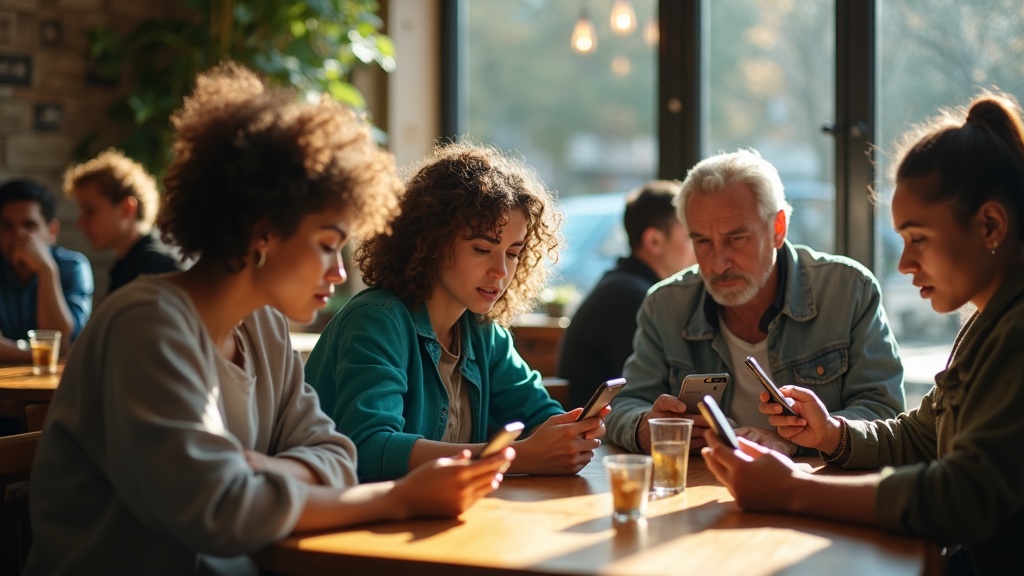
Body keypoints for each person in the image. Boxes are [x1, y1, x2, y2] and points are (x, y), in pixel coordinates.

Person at [26, 63, 512, 576]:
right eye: (327, 245)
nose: (340, 271)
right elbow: (220, 511)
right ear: (262, 231)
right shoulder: (146, 325)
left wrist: (256, 470)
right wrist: (398, 500)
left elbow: (336, 457)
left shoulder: (264, 327)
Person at [702, 92, 1024, 576]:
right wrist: (832, 433)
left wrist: (792, 489)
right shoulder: (988, 321)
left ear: (991, 225)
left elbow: (964, 496)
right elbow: (923, 436)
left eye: (918, 238)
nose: (904, 264)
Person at [305, 142, 607, 482]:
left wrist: (568, 434)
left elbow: (538, 412)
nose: (501, 271)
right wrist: (518, 456)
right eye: (482, 249)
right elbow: (368, 449)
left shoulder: (482, 331)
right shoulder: (377, 320)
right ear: (430, 241)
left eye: (513, 253)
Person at [605, 149, 905, 456]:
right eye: (702, 242)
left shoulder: (848, 290)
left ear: (778, 229)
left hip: (815, 490)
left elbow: (884, 410)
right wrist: (646, 427)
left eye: (736, 238)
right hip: (701, 488)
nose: (719, 263)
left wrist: (794, 440)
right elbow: (624, 405)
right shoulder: (666, 304)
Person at [557, 180, 696, 408]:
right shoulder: (630, 297)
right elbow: (647, 391)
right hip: (600, 436)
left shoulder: (622, 285)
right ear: (654, 240)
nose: (698, 250)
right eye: (690, 237)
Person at [0, 178, 93, 364]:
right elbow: (59, 352)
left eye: (29, 226)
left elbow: (63, 342)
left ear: (52, 231)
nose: (18, 235)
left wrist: (47, 270)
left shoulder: (73, 266)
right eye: (7, 226)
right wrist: (44, 354)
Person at [63, 148, 180, 294]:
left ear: (126, 208)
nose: (80, 223)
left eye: (90, 210)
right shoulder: (128, 264)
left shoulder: (154, 267)